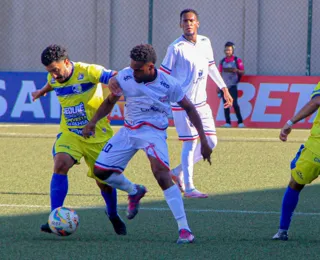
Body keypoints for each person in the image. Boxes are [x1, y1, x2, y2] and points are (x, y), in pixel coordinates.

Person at [82, 44, 212, 244]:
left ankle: (184, 229)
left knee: (161, 174)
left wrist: (203, 139)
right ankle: (134, 190)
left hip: (153, 133)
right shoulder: (125, 76)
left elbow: (189, 108)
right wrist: (92, 123)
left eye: (138, 69)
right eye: (132, 67)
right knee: (100, 172)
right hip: (128, 131)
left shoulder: (169, 84)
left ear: (151, 67)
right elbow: (109, 101)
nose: (133, 73)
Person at [32, 44, 126, 235]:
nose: (54, 75)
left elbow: (113, 75)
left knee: (104, 182)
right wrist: (42, 91)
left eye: (56, 70)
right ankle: (55, 217)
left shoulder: (88, 71)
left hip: (97, 135)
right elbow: (53, 83)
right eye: (50, 72)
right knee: (60, 163)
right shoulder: (53, 77)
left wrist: (116, 81)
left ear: (66, 62)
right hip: (70, 133)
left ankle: (113, 214)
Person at [160, 9, 233, 198]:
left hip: (202, 103)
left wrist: (223, 88)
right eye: (185, 21)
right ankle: (190, 188)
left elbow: (211, 66)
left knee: (211, 141)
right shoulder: (175, 48)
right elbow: (163, 74)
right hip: (182, 104)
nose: (188, 24)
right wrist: (161, 97)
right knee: (191, 143)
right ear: (180, 24)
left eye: (192, 20)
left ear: (197, 23)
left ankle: (177, 172)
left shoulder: (205, 42)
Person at [272, 82, 320, 241]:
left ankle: (282, 230)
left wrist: (290, 123)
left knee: (295, 183)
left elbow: (316, 101)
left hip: (317, 148)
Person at [218, 41, 245, 128]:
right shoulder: (222, 62)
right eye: (226, 50)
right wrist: (218, 86)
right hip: (224, 86)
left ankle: (240, 122)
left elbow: (242, 71)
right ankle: (228, 122)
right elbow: (220, 73)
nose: (227, 52)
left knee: (235, 104)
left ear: (232, 50)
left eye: (229, 50)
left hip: (233, 85)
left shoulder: (237, 60)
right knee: (225, 104)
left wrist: (236, 70)